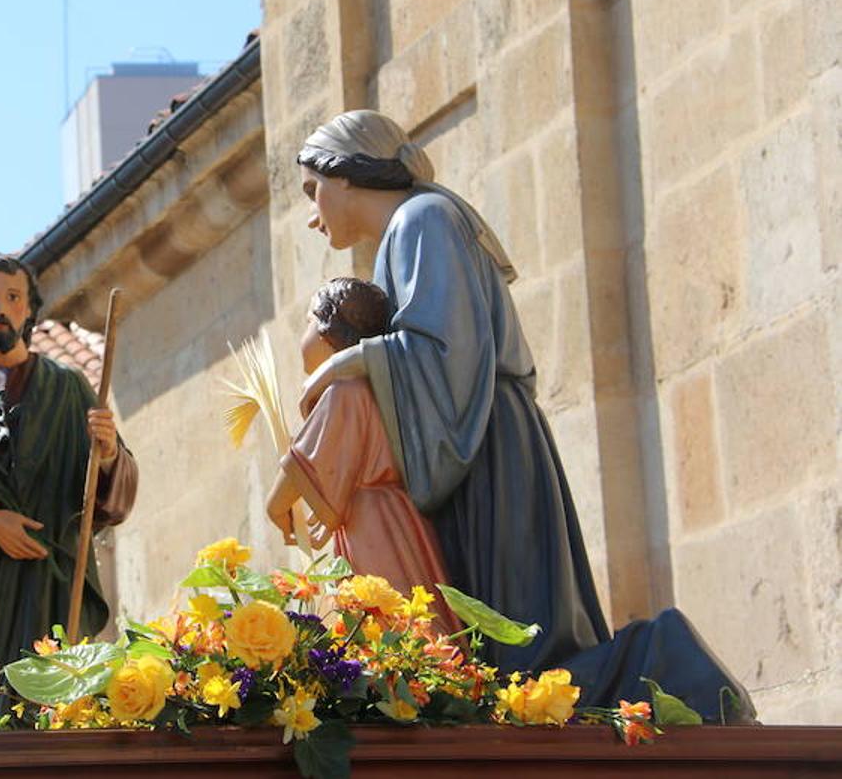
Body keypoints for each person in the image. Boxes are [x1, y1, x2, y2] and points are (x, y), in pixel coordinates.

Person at [294, 110, 752, 719]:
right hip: (470, 439)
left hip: (485, 443)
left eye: (312, 189)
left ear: (345, 173)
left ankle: (672, 665)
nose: (311, 211)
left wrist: (343, 365)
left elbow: (446, 349)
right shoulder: (405, 236)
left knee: (523, 658)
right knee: (509, 660)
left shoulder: (423, 220)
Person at [0, 253, 138, 673]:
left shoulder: (67, 386)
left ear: (29, 309)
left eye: (13, 297)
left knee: (47, 691)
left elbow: (115, 495)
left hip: (51, 579)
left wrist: (105, 454)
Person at [266, 278, 461, 633]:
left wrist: (275, 506)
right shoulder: (377, 386)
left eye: (309, 321)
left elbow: (303, 461)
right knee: (410, 610)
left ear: (328, 329)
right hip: (401, 519)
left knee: (389, 619)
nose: (304, 334)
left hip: (372, 524)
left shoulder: (344, 390)